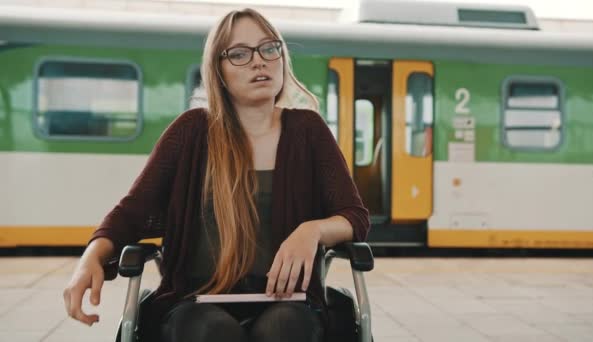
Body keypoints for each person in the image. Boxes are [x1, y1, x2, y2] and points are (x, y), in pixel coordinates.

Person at [63, 8, 370, 342]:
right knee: (210, 331)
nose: (259, 61)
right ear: (218, 72)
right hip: (194, 303)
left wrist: (313, 231)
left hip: (289, 302)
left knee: (287, 328)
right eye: (239, 53)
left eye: (269, 48)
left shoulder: (308, 131)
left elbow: (353, 217)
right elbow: (131, 213)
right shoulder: (191, 132)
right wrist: (89, 260)